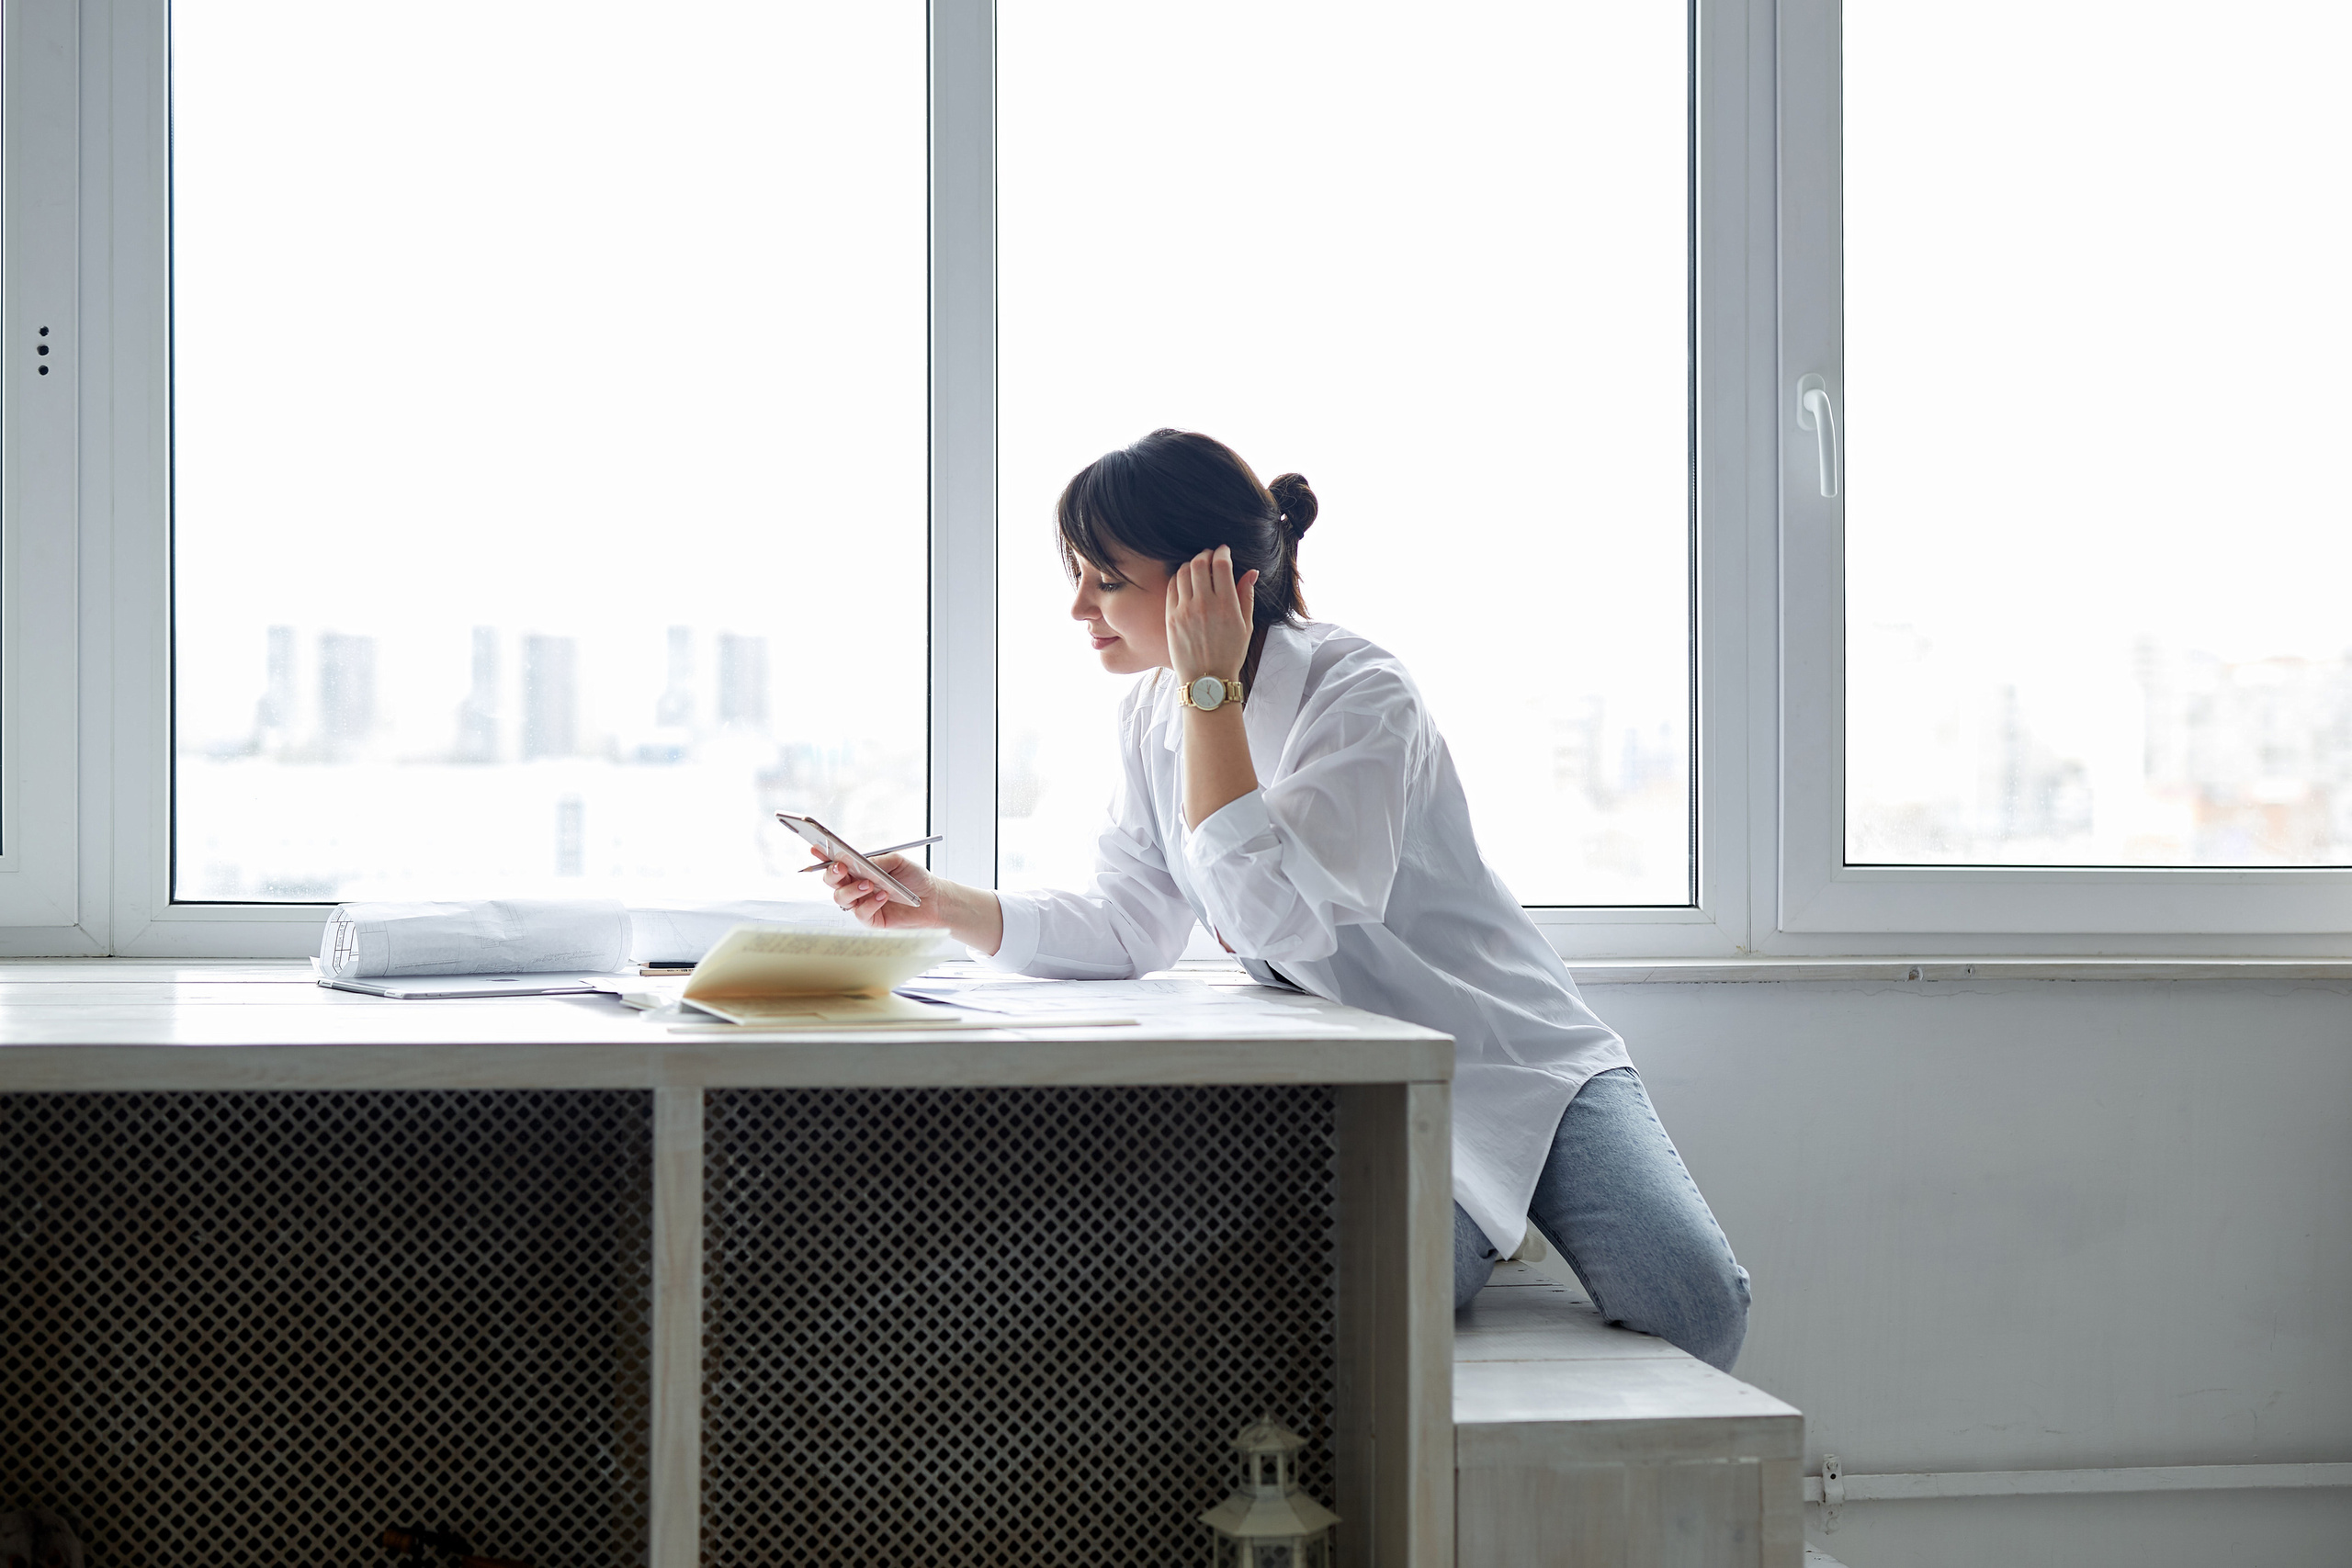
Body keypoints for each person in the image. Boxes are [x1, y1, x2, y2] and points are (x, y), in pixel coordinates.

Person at [820, 428, 1750, 1371]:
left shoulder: (1359, 692)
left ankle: (1505, 1230)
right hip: (1377, 1076)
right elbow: (1130, 923)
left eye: (1106, 579)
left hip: (1515, 1050)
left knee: (1696, 1306)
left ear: (1210, 581)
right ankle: (1480, 1243)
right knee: (1384, 1295)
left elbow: (1272, 919)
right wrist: (940, 903)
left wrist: (1210, 692)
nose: (1078, 607)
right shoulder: (1149, 716)